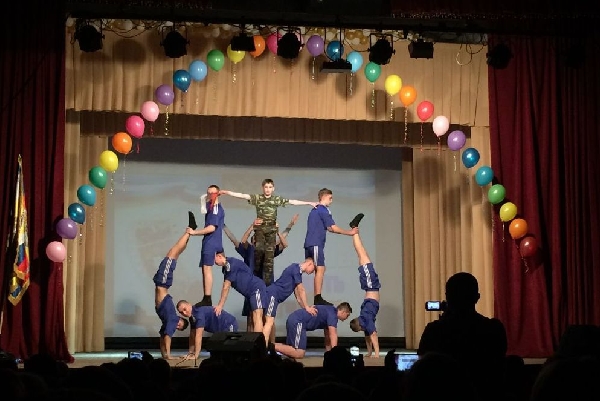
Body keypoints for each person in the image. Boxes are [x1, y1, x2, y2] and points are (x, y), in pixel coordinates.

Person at [417, 272, 507, 401]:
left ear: (447, 298)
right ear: (477, 297)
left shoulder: (435, 330)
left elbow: (423, 365)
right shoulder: (494, 329)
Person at [219, 179, 316, 286]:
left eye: (270, 187)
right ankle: (256, 275)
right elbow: (242, 196)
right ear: (263, 188)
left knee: (269, 260)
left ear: (273, 189)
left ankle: (267, 286)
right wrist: (227, 192)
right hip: (260, 230)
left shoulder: (276, 200)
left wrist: (309, 203)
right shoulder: (258, 198)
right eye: (266, 187)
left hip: (271, 232)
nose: (268, 189)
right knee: (259, 250)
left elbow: (292, 202)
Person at [223, 215, 299, 330]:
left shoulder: (269, 250)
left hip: (267, 286)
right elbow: (236, 239)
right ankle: (251, 340)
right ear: (253, 241)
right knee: (251, 318)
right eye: (257, 239)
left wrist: (287, 226)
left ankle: (268, 341)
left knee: (268, 318)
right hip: (251, 287)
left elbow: (283, 243)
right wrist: (251, 226)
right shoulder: (249, 250)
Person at [304, 187, 361, 305]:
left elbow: (329, 228)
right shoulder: (323, 210)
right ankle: (317, 298)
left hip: (310, 243)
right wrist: (349, 232)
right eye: (330, 198)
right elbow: (333, 228)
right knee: (320, 268)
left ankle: (314, 296)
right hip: (315, 244)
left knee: (311, 268)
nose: (331, 200)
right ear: (324, 197)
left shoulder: (314, 210)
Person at [153, 215, 197, 359]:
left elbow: (162, 337)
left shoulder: (167, 321)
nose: (177, 326)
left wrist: (164, 355)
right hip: (163, 283)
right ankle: (189, 231)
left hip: (162, 283)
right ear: (180, 319)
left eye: (179, 328)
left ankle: (189, 233)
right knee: (173, 252)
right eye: (180, 324)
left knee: (175, 253)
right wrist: (169, 355)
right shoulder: (172, 319)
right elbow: (167, 337)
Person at [262, 257, 318, 344]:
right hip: (272, 295)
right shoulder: (296, 269)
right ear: (309, 263)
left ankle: (272, 346)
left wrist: (305, 308)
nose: (312, 272)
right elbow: (301, 290)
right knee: (269, 322)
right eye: (313, 269)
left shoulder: (297, 272)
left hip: (273, 296)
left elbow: (298, 297)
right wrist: (307, 307)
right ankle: (263, 348)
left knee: (271, 322)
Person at [213, 249, 267, 336]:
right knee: (252, 317)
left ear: (219, 256)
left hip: (256, 288)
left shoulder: (230, 264)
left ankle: (259, 342)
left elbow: (226, 286)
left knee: (257, 316)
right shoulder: (225, 268)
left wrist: (220, 306)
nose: (213, 261)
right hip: (250, 293)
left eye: (213, 258)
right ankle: (254, 341)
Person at [348, 221, 381, 358]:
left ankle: (354, 229)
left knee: (361, 254)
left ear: (360, 326)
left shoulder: (366, 319)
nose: (364, 331)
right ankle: (355, 230)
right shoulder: (365, 321)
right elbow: (368, 336)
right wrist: (369, 352)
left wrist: (377, 354)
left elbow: (373, 335)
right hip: (370, 285)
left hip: (370, 285)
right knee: (362, 254)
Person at [274, 302, 352, 359]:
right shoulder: (333, 315)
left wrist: (329, 354)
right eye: (347, 315)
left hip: (295, 320)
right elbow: (333, 334)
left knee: (291, 349)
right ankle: (270, 346)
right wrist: (336, 355)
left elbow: (328, 337)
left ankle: (270, 345)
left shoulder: (330, 311)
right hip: (298, 321)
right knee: (299, 353)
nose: (346, 318)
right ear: (343, 312)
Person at [188, 185, 225, 307]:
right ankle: (206, 297)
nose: (210, 195)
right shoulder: (211, 206)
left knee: (207, 268)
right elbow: (203, 203)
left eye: (213, 193)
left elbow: (212, 228)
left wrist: (194, 232)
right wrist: (205, 197)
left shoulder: (216, 209)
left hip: (211, 241)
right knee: (205, 269)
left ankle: (207, 298)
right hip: (211, 241)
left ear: (218, 194)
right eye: (209, 193)